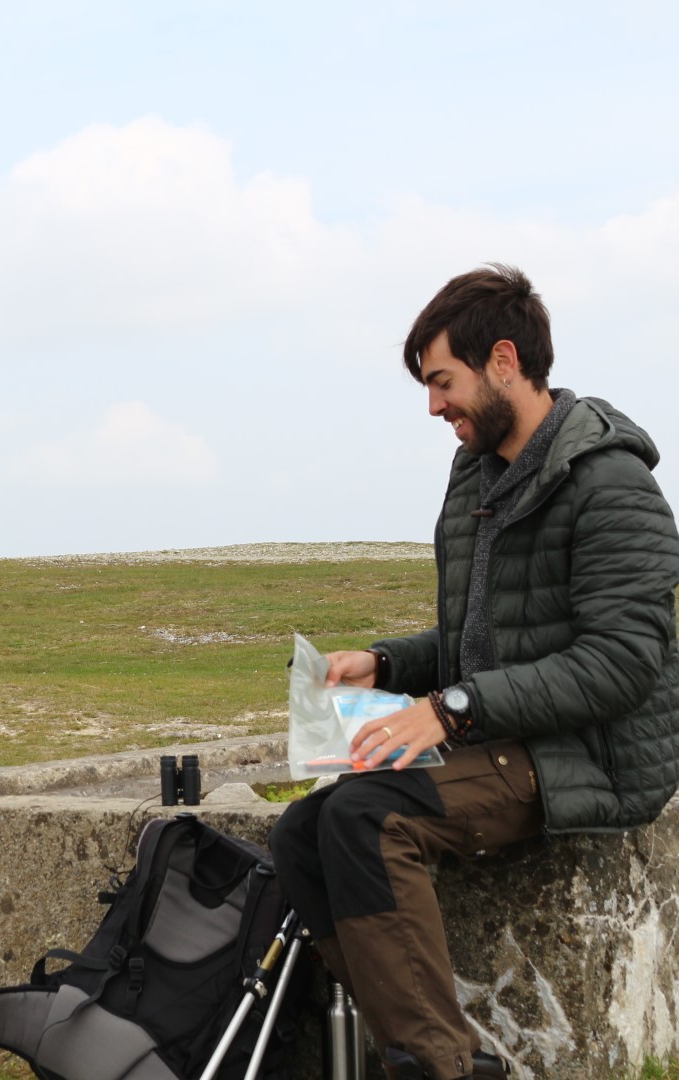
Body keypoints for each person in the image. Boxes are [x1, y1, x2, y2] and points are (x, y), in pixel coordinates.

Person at [268, 265, 679, 1080]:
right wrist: (382, 663)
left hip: (582, 752)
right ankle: (429, 1050)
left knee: (368, 817)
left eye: (441, 382)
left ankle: (436, 1066)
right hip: (503, 730)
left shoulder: (612, 484)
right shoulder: (477, 474)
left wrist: (452, 709)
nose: (433, 407)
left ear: (503, 360)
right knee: (300, 832)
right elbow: (478, 637)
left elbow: (621, 664)